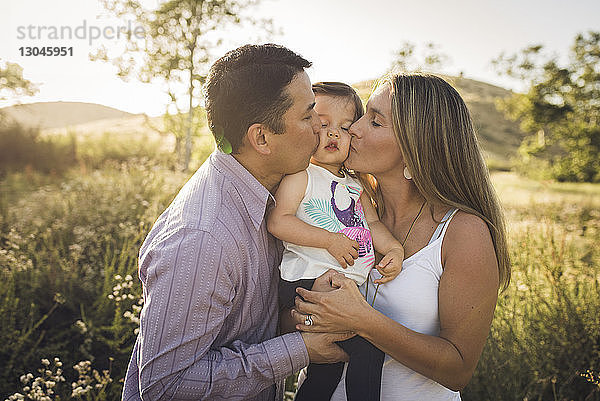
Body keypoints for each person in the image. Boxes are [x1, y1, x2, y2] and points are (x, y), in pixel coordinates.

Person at [121, 44, 353, 401]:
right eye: (310, 118)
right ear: (261, 138)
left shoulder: (270, 193)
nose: (321, 133)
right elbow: (164, 387)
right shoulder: (201, 239)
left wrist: (303, 312)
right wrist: (301, 350)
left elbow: (249, 327)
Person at [291, 73, 511, 401]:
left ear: (414, 149)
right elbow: (287, 311)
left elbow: (458, 370)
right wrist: (302, 310)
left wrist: (363, 320)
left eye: (375, 122)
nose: (355, 128)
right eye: (363, 114)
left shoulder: (462, 232)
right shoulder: (340, 201)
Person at [267, 82, 405, 401]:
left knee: (326, 368)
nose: (333, 134)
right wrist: (329, 239)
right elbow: (279, 220)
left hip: (343, 287)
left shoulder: (355, 185)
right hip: (308, 278)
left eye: (344, 128)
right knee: (368, 348)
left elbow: (371, 224)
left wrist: (394, 248)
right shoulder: (302, 176)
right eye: (323, 124)